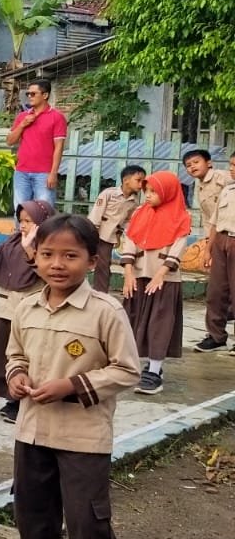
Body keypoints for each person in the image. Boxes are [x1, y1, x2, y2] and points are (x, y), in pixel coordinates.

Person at [0, 213, 141, 539]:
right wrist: (16, 377)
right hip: (32, 432)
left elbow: (127, 370)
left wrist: (72, 386)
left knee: (88, 528)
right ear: (34, 257)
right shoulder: (26, 308)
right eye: (48, 254)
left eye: (70, 256)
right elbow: (14, 354)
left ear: (92, 260)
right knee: (33, 519)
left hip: (83, 439)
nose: (57, 264)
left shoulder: (105, 311)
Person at [0, 200, 54, 422]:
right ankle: (11, 398)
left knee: (28, 357)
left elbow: (49, 275)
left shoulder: (50, 245)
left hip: (32, 311)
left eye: (29, 221)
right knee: (2, 354)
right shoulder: (13, 241)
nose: (23, 225)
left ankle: (21, 401)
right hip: (7, 308)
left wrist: (29, 250)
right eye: (21, 220)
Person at [118, 171, 190, 395]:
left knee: (159, 323)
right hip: (139, 276)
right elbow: (130, 240)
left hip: (164, 279)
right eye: (146, 191)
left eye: (154, 191)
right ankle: (135, 365)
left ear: (168, 192)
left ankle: (155, 371)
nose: (148, 195)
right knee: (133, 319)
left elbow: (178, 248)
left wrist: (161, 274)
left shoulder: (180, 217)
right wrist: (128, 272)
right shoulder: (140, 212)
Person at [183, 148, 234, 352]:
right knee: (216, 291)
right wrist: (208, 248)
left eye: (196, 162)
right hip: (220, 239)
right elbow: (211, 220)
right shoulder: (222, 190)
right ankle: (216, 336)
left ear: (209, 163)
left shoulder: (222, 179)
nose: (231, 170)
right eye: (188, 165)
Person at [6, 79, 67, 212]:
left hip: (44, 174)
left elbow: (59, 147)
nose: (29, 96)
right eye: (28, 94)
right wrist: (22, 125)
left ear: (45, 95)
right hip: (21, 172)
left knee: (44, 212)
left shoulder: (57, 117)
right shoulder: (22, 116)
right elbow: (10, 141)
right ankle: (20, 228)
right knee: (20, 211)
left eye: (33, 94)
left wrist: (53, 173)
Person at [87, 165, 145, 296]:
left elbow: (128, 220)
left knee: (103, 265)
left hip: (110, 237)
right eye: (138, 180)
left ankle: (100, 294)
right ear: (126, 180)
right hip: (96, 234)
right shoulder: (109, 194)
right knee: (95, 263)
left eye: (143, 181)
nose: (141, 184)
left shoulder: (134, 201)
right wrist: (91, 234)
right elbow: (96, 214)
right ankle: (98, 292)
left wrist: (121, 234)